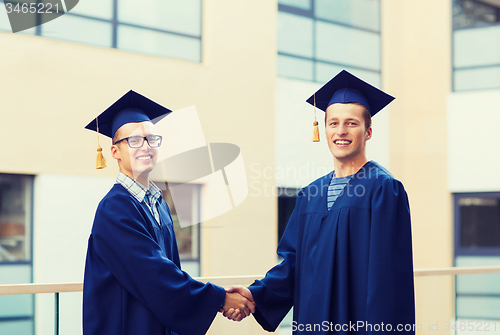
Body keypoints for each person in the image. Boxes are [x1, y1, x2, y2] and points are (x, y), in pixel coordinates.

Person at [226, 70, 415, 334]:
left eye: (352, 123)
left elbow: (389, 280)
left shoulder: (384, 189)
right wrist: (254, 294)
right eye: (333, 123)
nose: (341, 131)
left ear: (368, 131)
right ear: (323, 129)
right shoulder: (310, 194)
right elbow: (293, 262)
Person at [82, 90, 254, 335]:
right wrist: (219, 299)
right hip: (126, 326)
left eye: (151, 139)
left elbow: (171, 269)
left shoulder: (158, 203)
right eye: (134, 141)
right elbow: (154, 274)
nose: (145, 146)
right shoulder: (115, 208)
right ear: (114, 152)